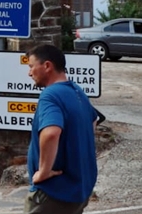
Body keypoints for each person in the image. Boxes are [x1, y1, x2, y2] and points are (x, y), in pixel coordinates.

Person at [25, 44, 100, 214]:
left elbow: (51, 132)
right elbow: (93, 121)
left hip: (54, 193)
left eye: (31, 67)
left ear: (47, 66)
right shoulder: (77, 91)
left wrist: (43, 172)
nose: (29, 73)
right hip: (78, 189)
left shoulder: (50, 95)